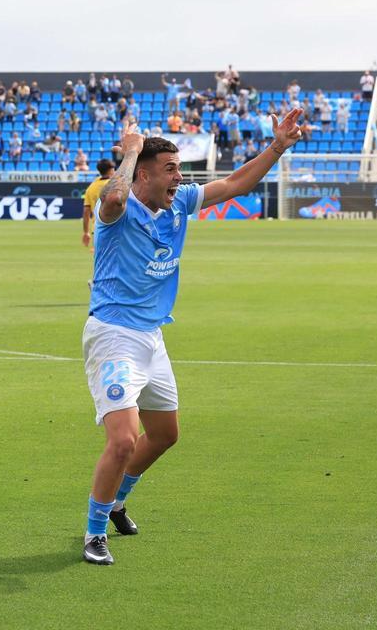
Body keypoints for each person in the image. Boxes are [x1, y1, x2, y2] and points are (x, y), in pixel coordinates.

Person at [79, 110, 303, 565]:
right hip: (114, 336)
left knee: (164, 435)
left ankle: (117, 501)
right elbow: (115, 195)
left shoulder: (178, 202)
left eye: (179, 169)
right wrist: (131, 152)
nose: (179, 178)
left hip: (152, 336)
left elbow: (235, 184)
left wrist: (277, 147)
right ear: (144, 174)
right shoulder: (117, 210)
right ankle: (94, 531)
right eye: (170, 169)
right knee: (123, 440)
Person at [81, 159, 114, 248]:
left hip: (97, 228)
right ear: (111, 170)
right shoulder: (115, 185)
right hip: (113, 227)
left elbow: (86, 212)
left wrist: (86, 232)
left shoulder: (91, 188)